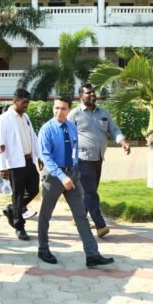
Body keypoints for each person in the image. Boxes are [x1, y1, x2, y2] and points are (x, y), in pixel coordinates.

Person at [37, 96, 114, 267]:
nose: (59, 111)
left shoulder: (72, 127)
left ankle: (92, 255)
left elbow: (74, 150)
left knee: (81, 215)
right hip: (54, 177)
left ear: (69, 110)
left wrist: (75, 172)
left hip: (72, 176)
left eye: (63, 108)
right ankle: (43, 249)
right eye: (56, 108)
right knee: (45, 215)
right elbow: (46, 157)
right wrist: (62, 176)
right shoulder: (47, 129)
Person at [68, 83, 130, 238]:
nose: (92, 95)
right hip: (83, 159)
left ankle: (78, 216)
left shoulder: (103, 113)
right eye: (88, 93)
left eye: (93, 93)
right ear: (80, 96)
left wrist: (122, 142)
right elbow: (66, 134)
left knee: (90, 191)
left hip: (98, 158)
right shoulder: (75, 114)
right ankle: (100, 225)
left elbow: (114, 129)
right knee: (90, 193)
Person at [0, 88, 43, 240]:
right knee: (18, 194)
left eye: (28, 102)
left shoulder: (26, 117)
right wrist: (3, 167)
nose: (26, 105)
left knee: (34, 189)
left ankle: (12, 209)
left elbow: (33, 137)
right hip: (14, 163)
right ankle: (19, 226)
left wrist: (39, 157)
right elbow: (0, 144)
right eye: (24, 102)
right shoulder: (4, 119)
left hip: (28, 160)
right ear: (15, 101)